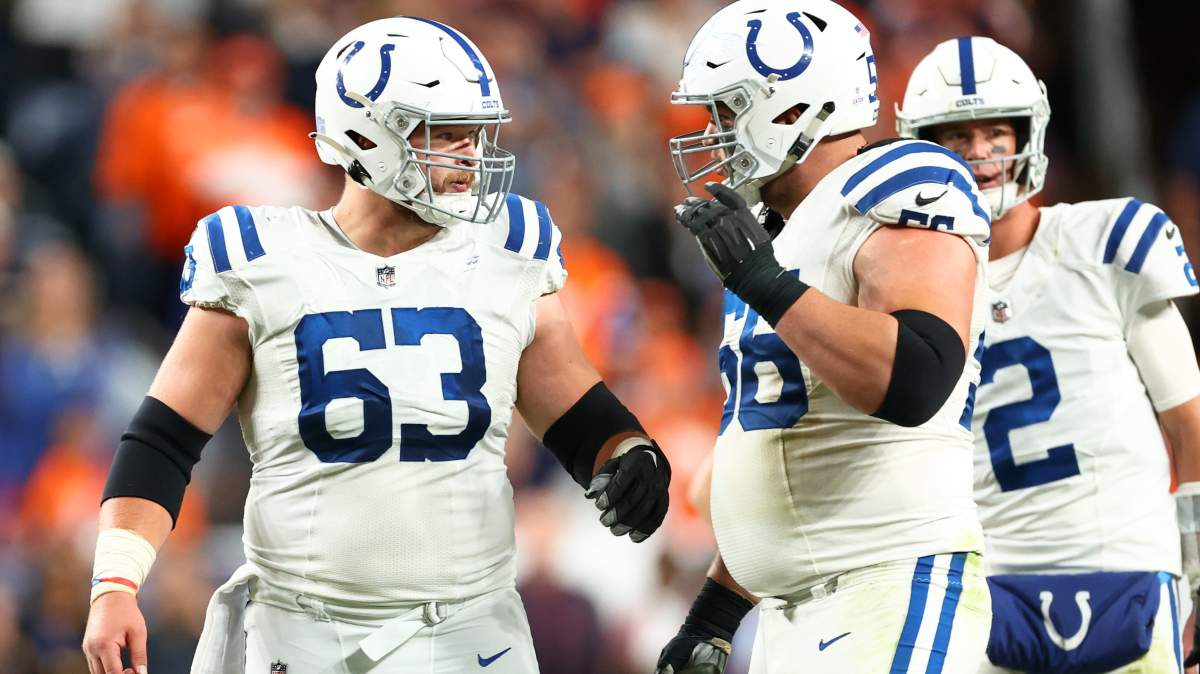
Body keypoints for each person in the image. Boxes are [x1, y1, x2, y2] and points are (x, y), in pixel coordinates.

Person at [80, 17, 672, 674]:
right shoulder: (261, 259)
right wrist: (115, 585)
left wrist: (631, 458)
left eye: (476, 133)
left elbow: (582, 416)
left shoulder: (507, 252)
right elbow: (163, 440)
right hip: (307, 633)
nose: (470, 155)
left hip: (473, 631)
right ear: (366, 134)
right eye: (445, 132)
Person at [654, 2, 994, 672]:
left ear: (792, 108)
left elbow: (917, 375)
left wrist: (768, 284)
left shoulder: (898, 183)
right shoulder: (773, 230)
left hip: (888, 581)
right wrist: (714, 615)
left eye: (727, 110)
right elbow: (785, 453)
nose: (714, 133)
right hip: (793, 612)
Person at [897, 36, 1200, 674]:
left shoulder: (1104, 242)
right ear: (922, 149)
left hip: (1128, 564)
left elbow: (1188, 423)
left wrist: (1199, 567)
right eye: (957, 137)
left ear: (1028, 135)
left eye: (995, 133)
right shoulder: (906, 287)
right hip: (991, 587)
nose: (980, 153)